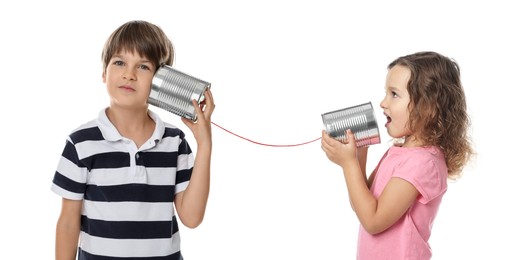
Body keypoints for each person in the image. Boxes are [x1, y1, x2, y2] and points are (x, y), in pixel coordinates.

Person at [51, 20, 215, 260]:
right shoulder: (81, 143)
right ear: (104, 73)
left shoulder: (175, 141)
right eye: (119, 62)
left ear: (162, 80)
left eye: (143, 67)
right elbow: (67, 222)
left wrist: (205, 144)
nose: (129, 74)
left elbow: (191, 218)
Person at [321, 51, 474, 259]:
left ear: (427, 107)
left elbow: (373, 221)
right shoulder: (400, 152)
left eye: (394, 94)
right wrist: (358, 155)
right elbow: (362, 206)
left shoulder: (422, 163)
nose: (383, 102)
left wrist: (348, 164)